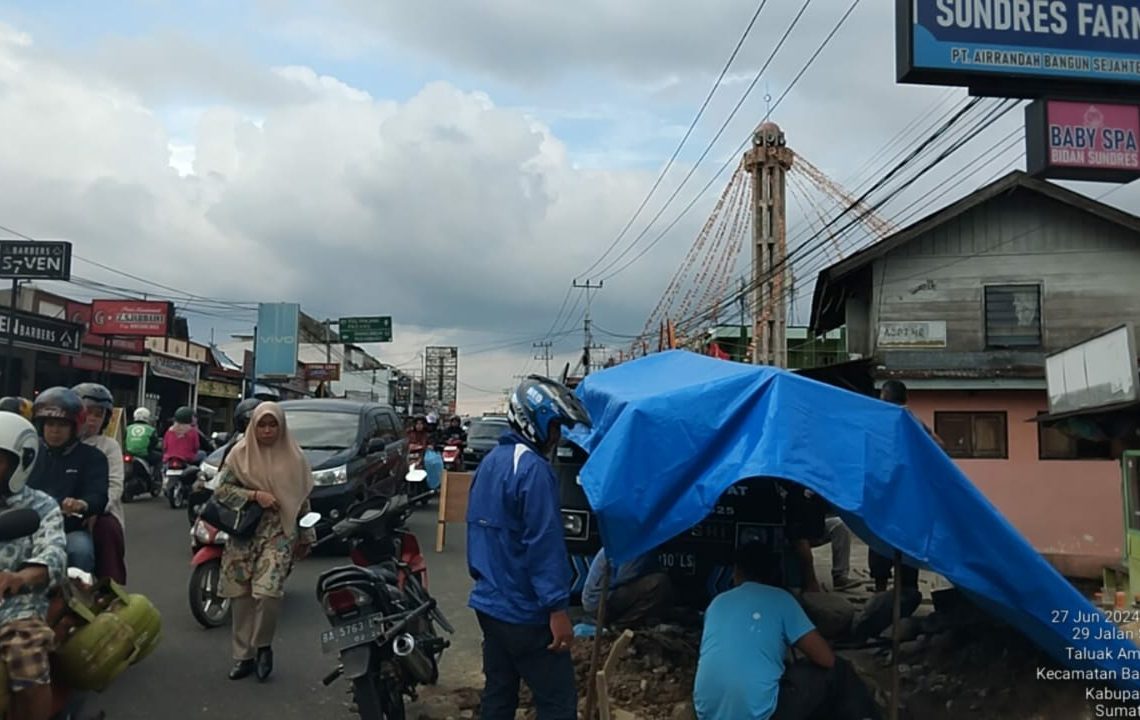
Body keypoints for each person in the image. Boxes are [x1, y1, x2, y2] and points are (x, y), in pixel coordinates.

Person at [466, 375, 592, 720]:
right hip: (527, 612)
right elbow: (544, 544)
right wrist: (557, 610)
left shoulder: (491, 462)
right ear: (532, 420)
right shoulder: (534, 469)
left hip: (490, 606)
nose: (556, 437)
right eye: (554, 427)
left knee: (498, 697)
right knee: (558, 704)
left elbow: (478, 534)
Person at [693, 542, 881, 720]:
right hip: (760, 714)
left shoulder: (717, 603)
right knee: (839, 670)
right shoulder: (781, 599)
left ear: (736, 572)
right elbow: (826, 659)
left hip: (707, 712)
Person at [215, 402, 315, 682]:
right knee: (241, 597)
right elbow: (221, 489)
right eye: (262, 425)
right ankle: (242, 656)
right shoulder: (239, 454)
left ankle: (263, 646)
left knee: (268, 594)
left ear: (281, 427)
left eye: (273, 425)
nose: (268, 430)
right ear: (253, 426)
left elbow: (302, 501)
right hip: (243, 533)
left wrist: (307, 535)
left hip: (278, 534)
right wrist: (254, 496)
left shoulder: (295, 458)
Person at [0, 411, 67, 720]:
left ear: (21, 463)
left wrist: (20, 577)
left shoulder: (40, 506)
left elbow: (52, 555)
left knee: (24, 654)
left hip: (16, 607)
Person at [27, 387, 108, 573]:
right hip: (26, 528)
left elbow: (99, 495)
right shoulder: (28, 454)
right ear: (41, 426)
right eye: (50, 424)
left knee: (80, 552)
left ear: (74, 427)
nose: (55, 431)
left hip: (68, 530)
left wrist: (82, 504)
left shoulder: (93, 457)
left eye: (62, 425)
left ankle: (76, 600)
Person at [870, 380, 934, 592]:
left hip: (888, 496)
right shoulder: (912, 420)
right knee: (903, 546)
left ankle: (887, 592)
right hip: (905, 497)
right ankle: (905, 592)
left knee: (882, 543)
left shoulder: (887, 420)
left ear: (885, 397)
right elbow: (938, 446)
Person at [73, 383, 127, 584]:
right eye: (88, 413)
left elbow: (115, 486)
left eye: (99, 414)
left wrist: (93, 508)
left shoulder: (108, 446)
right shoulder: (62, 442)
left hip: (100, 512)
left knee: (106, 529)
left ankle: (112, 592)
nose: (93, 419)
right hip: (59, 511)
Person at [581, 548, 674, 628]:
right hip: (599, 601)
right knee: (658, 582)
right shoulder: (637, 544)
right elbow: (624, 577)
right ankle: (620, 626)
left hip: (600, 598)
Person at [124, 407, 161, 472]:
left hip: (129, 454)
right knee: (159, 458)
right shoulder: (151, 429)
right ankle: (156, 478)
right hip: (144, 455)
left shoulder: (128, 428)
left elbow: (124, 439)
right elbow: (154, 442)